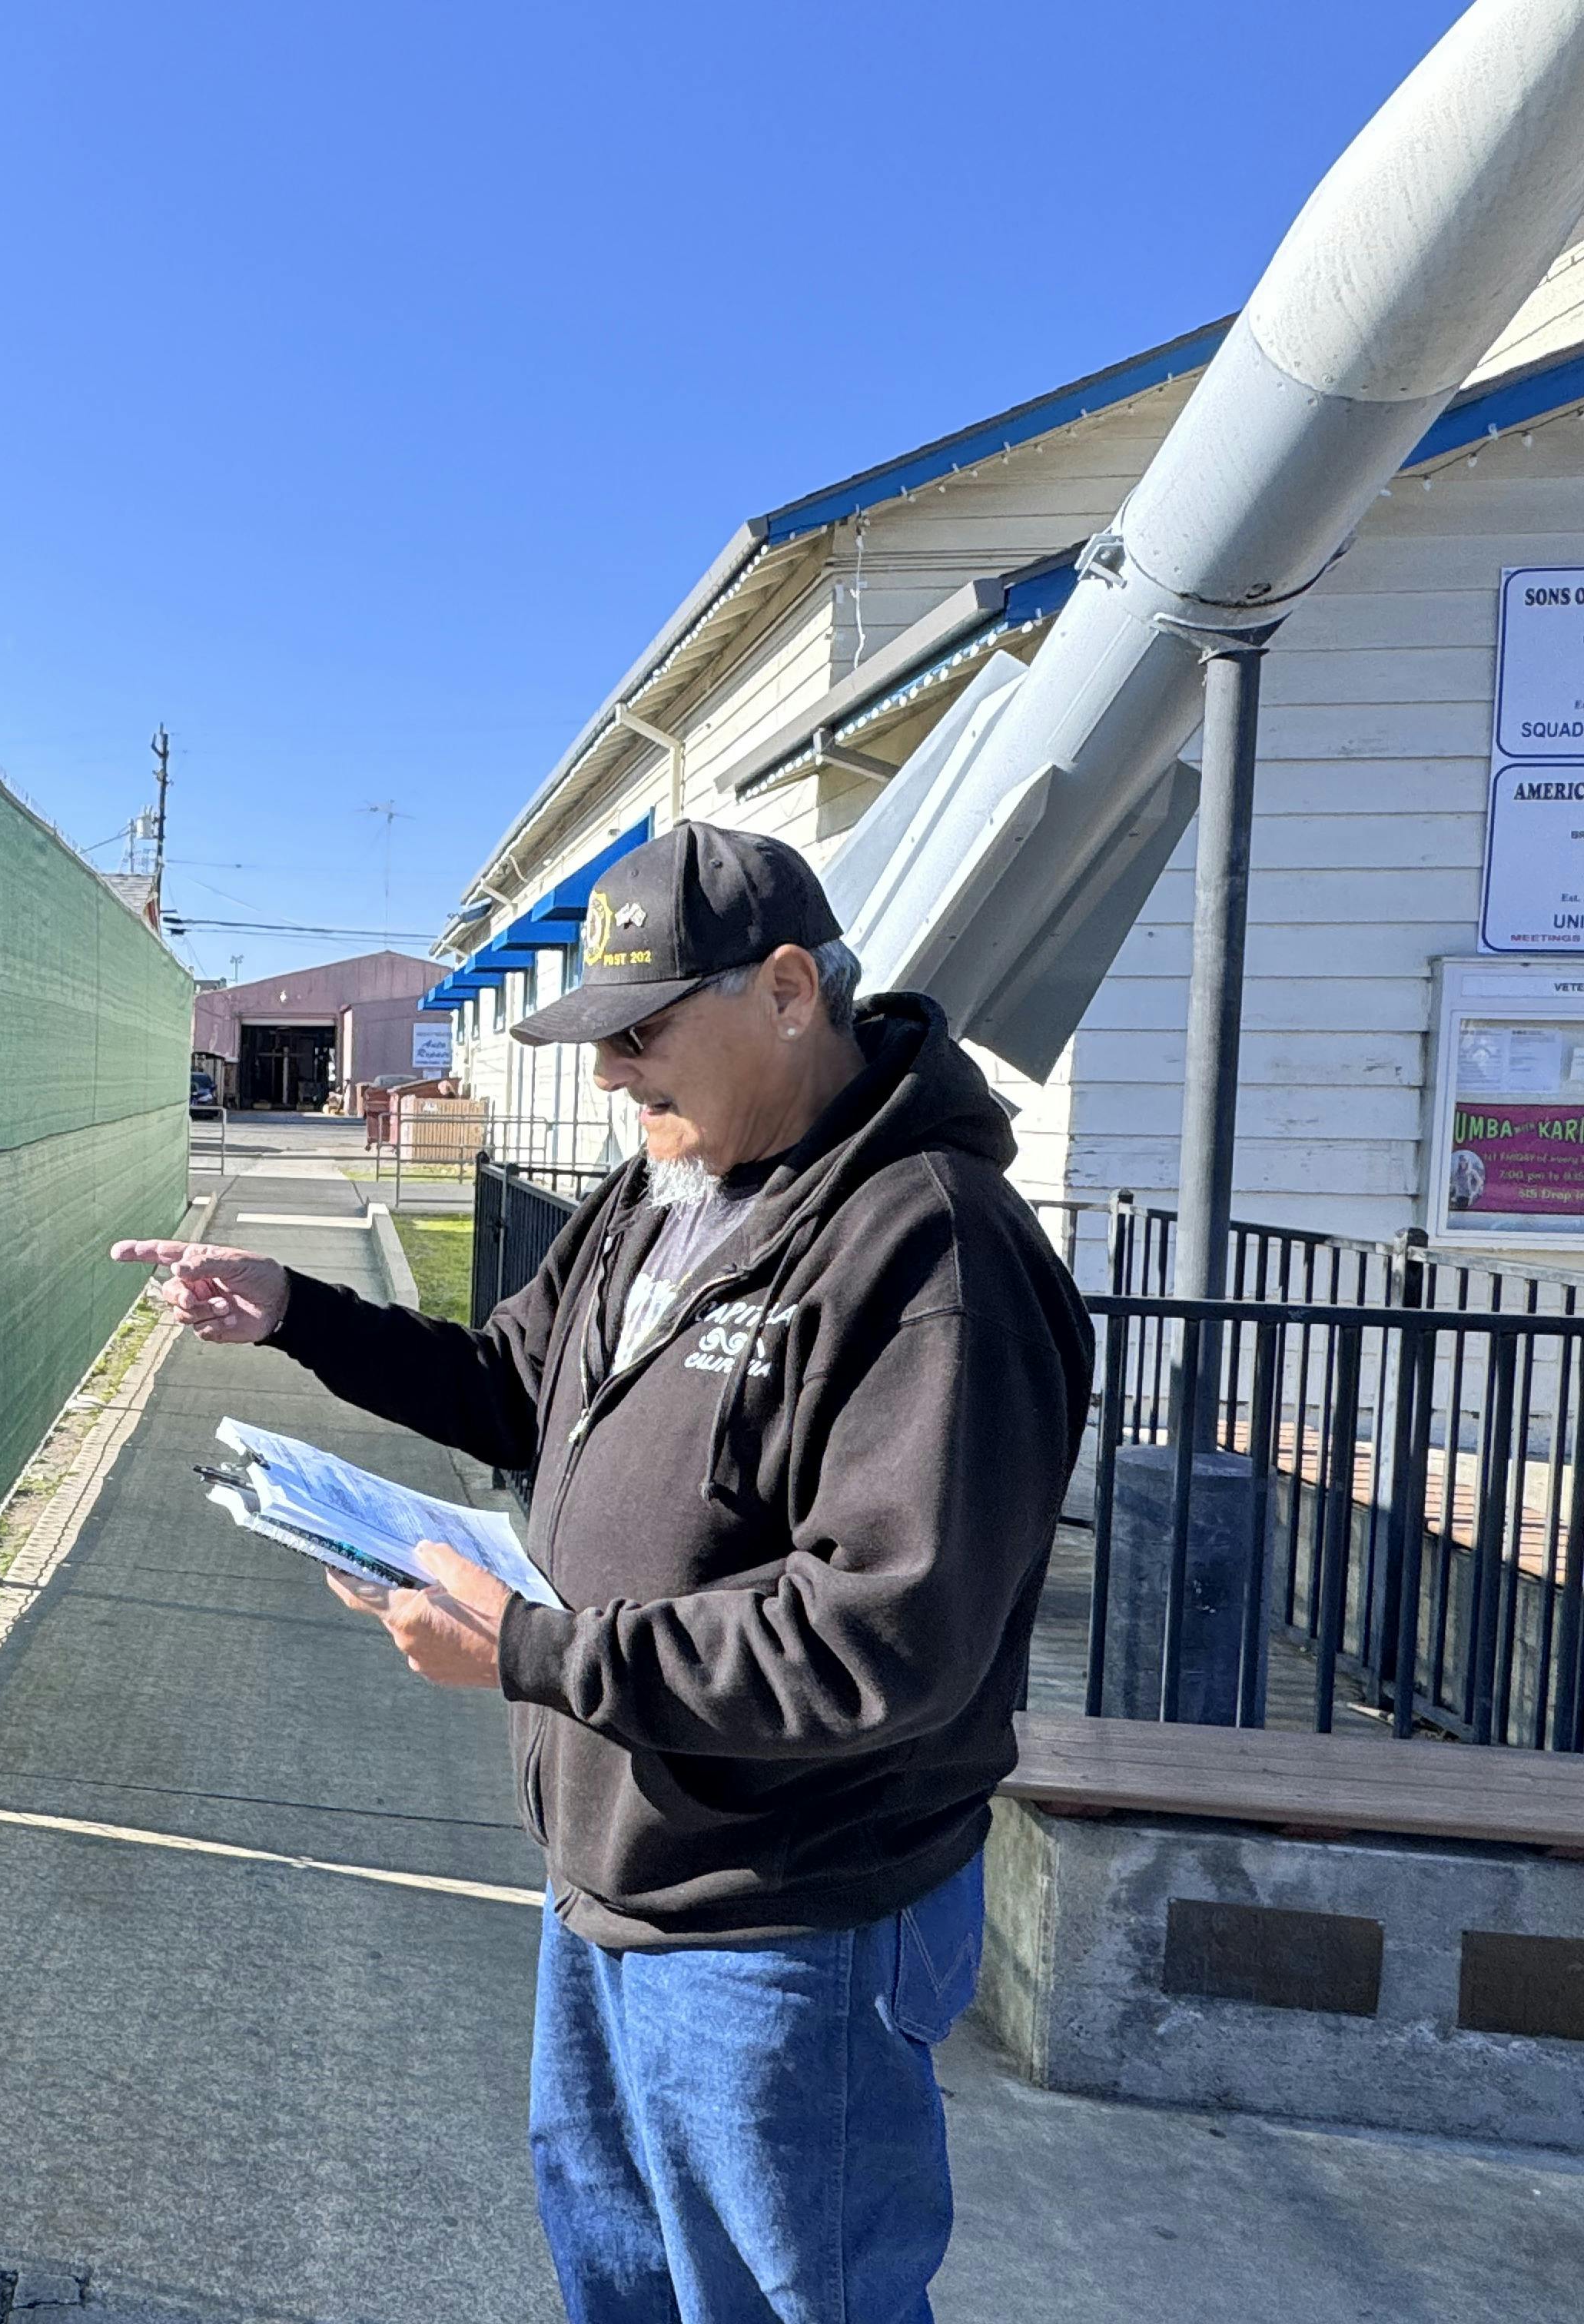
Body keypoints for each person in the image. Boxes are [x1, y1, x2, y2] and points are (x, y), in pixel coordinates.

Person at [116, 822, 1091, 2324]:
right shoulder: (665, 1197)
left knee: (784, 2303)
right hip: (611, 1889)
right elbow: (513, 1386)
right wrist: (297, 1313)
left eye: (638, 1031)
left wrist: (527, 1652)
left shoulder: (933, 1252)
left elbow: (874, 1642)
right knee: (625, 2290)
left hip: (789, 1927)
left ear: (785, 992)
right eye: (592, 1037)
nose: (608, 1073)